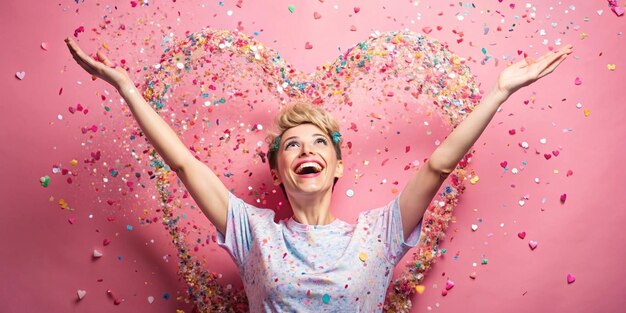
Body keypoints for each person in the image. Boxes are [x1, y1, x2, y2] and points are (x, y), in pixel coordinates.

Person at [65, 36, 573, 312]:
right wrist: (128, 88)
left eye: (317, 142)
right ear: (277, 169)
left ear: (336, 165)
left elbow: (439, 165)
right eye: (291, 144)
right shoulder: (252, 232)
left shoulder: (380, 232)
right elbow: (183, 163)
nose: (305, 150)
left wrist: (500, 92)